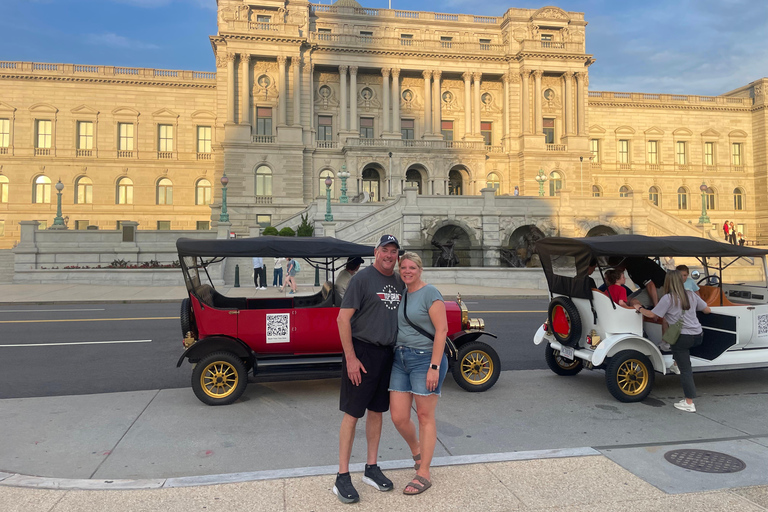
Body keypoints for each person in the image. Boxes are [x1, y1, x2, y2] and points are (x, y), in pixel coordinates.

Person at [333, 235, 403, 504]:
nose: (389, 255)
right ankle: (342, 476)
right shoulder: (362, 280)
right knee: (352, 414)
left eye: (393, 251)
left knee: (377, 412)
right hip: (361, 353)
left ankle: (371, 467)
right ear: (376, 252)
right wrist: (350, 358)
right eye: (385, 250)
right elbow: (343, 319)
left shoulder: (398, 282)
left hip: (387, 354)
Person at [389, 252, 448, 495]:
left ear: (420, 270)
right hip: (400, 358)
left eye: (412, 267)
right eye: (403, 267)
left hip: (425, 359)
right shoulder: (401, 293)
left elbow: (442, 330)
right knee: (398, 417)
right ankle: (417, 450)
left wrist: (434, 366)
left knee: (424, 415)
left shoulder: (429, 292)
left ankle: (424, 472)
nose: (407, 271)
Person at [634, 270, 711, 413]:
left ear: (667, 282)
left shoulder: (668, 298)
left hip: (682, 338)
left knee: (686, 369)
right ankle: (676, 363)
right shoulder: (691, 295)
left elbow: (652, 314)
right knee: (672, 339)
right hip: (698, 335)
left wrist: (639, 308)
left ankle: (689, 402)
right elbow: (707, 309)